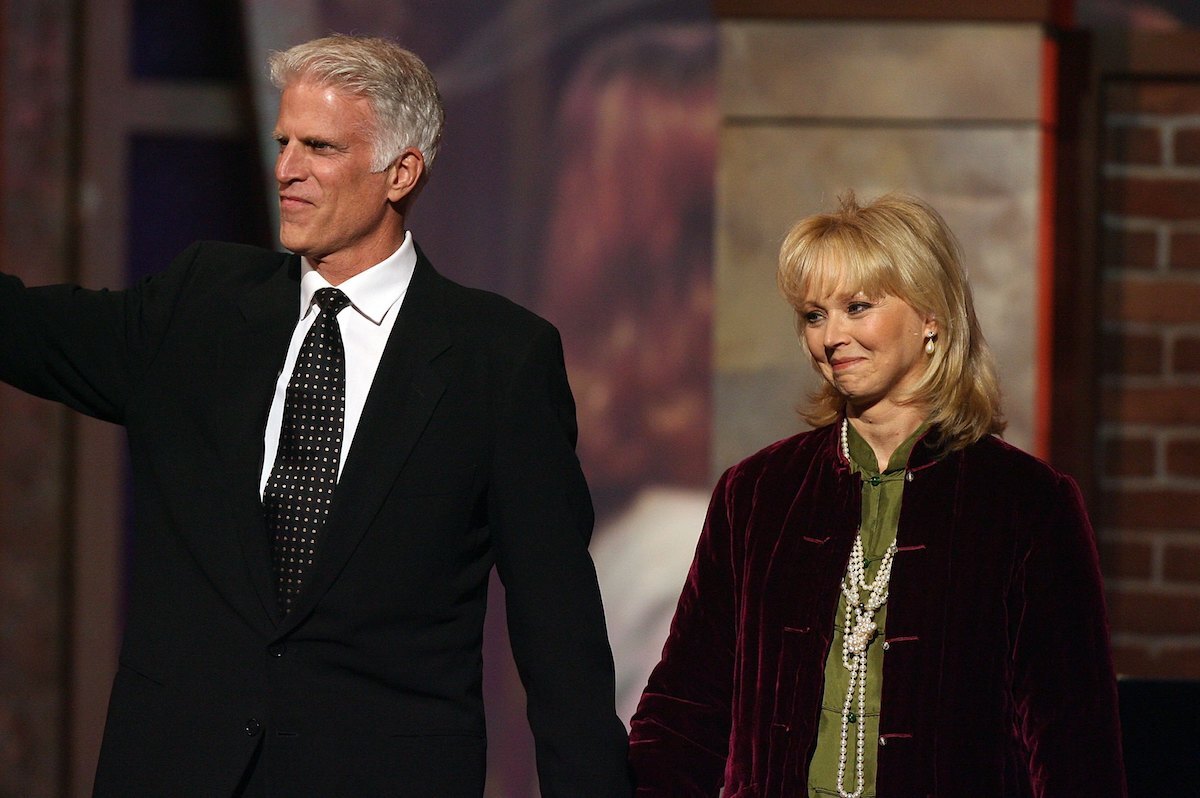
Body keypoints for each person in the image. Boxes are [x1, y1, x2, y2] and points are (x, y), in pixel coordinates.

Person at [0, 35, 630, 797]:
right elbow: (25, 329)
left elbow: (558, 631)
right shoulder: (201, 303)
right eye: (283, 142)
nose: (286, 170)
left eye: (319, 147)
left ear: (401, 172)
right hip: (177, 770)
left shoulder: (498, 360)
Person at [627, 193, 1126, 797]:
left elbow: (1074, 744)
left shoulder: (1025, 503)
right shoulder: (758, 493)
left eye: (857, 307)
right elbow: (685, 707)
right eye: (814, 316)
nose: (832, 337)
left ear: (931, 316)